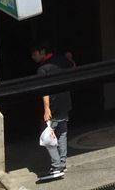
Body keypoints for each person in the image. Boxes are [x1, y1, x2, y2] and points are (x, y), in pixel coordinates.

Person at [31, 42, 74, 181]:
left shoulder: (43, 69)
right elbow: (74, 68)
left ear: (42, 52)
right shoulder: (62, 60)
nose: (33, 57)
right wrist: (70, 58)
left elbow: (45, 89)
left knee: (47, 136)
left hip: (53, 105)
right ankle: (62, 163)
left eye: (34, 53)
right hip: (65, 102)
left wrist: (46, 108)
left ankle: (56, 167)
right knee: (62, 134)